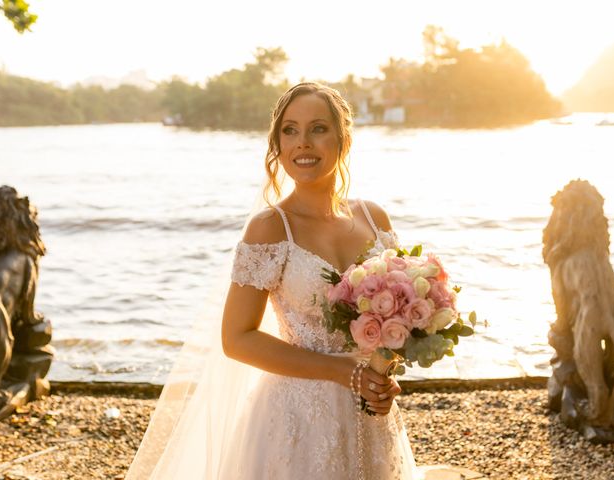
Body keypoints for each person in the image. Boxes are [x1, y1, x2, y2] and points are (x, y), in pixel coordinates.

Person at [125, 82, 419, 479]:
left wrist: (383, 376)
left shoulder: (374, 218)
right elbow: (237, 339)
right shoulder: (269, 228)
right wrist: (342, 372)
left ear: (343, 139)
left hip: (370, 410)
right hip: (297, 417)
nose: (303, 144)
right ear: (277, 144)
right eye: (290, 130)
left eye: (318, 128)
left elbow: (396, 319)